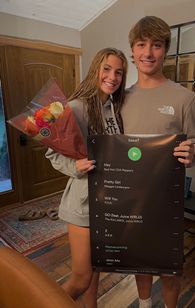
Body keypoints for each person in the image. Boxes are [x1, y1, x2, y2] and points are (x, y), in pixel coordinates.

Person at [121, 16, 195, 308]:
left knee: (169, 265)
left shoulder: (184, 97)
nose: (148, 52)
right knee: (139, 260)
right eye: (141, 44)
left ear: (165, 50)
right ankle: (144, 305)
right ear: (132, 50)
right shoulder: (120, 98)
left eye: (156, 45)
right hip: (130, 197)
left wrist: (192, 152)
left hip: (167, 199)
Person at [46, 48, 128, 307]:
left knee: (96, 268)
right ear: (95, 70)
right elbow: (53, 153)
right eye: (107, 69)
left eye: (118, 72)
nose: (112, 77)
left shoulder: (114, 109)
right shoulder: (76, 107)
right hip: (82, 204)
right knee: (81, 278)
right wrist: (76, 166)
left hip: (107, 202)